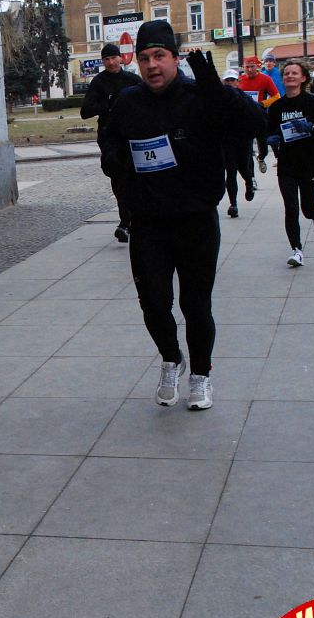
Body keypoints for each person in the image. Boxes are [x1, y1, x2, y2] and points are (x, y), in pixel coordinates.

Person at [98, 20, 258, 411]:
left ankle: (201, 375)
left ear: (174, 58)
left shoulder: (199, 96)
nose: (152, 65)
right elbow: (110, 139)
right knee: (153, 304)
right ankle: (171, 359)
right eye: (144, 58)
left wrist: (216, 89)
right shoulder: (129, 102)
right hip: (148, 223)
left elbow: (255, 123)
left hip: (195, 221)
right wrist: (113, 159)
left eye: (159, 56)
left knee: (195, 305)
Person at [266, 59, 314, 268]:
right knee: (291, 208)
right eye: (286, 73)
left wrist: (310, 127)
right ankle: (297, 250)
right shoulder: (277, 107)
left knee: (307, 207)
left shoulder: (311, 102)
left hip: (310, 161)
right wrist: (272, 139)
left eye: (294, 73)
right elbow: (269, 130)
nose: (289, 76)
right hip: (287, 164)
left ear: (303, 78)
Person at [81, 42, 143, 243]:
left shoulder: (133, 80)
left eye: (113, 58)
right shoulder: (98, 82)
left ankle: (136, 218)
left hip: (132, 134)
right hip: (110, 137)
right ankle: (125, 221)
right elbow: (85, 111)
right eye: (106, 59)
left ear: (120, 58)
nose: (110, 62)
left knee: (135, 177)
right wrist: (106, 104)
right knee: (118, 178)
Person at [221, 69, 263, 218]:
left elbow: (256, 117)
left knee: (244, 168)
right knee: (230, 171)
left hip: (243, 139)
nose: (230, 83)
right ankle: (233, 204)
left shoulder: (245, 98)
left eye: (232, 80)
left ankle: (249, 182)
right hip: (227, 140)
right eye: (227, 80)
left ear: (238, 82)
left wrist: (257, 136)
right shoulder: (219, 100)